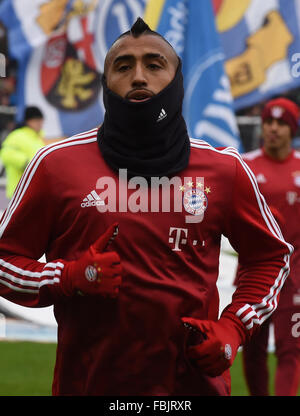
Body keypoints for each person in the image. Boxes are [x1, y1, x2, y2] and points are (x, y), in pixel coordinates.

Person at [0, 18, 293, 396]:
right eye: (123, 67)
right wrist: (67, 277)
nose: (139, 76)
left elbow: (272, 256)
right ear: (106, 84)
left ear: (177, 80)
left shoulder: (225, 170)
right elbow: (5, 260)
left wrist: (233, 327)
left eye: (155, 65)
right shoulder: (56, 165)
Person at [234, 97, 300, 396]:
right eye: (268, 122)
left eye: (281, 124)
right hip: (253, 276)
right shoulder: (244, 166)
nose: (273, 129)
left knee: (291, 349)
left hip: (295, 279)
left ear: (292, 130)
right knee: (252, 350)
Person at [0, 106, 45, 198]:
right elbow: (6, 153)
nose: (40, 123)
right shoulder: (17, 135)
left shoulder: (39, 138)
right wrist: (28, 163)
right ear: (28, 121)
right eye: (37, 120)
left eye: (41, 120)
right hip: (19, 192)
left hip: (35, 192)